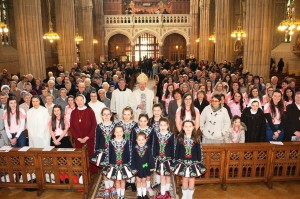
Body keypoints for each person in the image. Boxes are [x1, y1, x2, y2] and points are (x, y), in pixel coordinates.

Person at [171, 120, 206, 199]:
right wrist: (175, 161)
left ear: (193, 127)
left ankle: (190, 195)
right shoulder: (179, 138)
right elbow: (177, 150)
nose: (188, 128)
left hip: (193, 162)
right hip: (182, 162)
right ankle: (184, 194)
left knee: (192, 178)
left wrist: (200, 161)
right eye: (186, 126)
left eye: (190, 126)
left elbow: (199, 150)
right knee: (185, 178)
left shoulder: (196, 138)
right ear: (183, 127)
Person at [102, 125, 137, 199]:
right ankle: (119, 196)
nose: (118, 133)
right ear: (114, 133)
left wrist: (129, 163)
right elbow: (109, 154)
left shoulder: (126, 141)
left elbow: (128, 153)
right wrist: (110, 164)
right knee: (117, 181)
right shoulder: (111, 142)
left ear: (123, 132)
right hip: (114, 165)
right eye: (117, 132)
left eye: (120, 131)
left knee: (123, 180)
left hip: (124, 164)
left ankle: (122, 195)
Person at [70, 94, 97, 173]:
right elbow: (72, 127)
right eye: (77, 100)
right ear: (75, 101)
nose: (79, 102)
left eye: (81, 100)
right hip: (78, 140)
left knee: (90, 155)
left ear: (84, 100)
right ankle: (82, 172)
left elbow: (94, 125)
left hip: (89, 139)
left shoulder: (90, 111)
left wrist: (87, 137)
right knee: (80, 156)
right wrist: (78, 138)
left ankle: (92, 171)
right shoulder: (73, 112)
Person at [93, 107, 116, 197]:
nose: (106, 116)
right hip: (102, 152)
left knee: (112, 169)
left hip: (113, 152)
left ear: (111, 115)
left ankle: (112, 186)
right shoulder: (99, 126)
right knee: (105, 170)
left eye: (108, 114)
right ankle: (107, 187)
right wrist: (96, 152)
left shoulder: (115, 125)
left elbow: (117, 138)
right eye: (104, 114)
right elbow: (97, 140)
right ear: (102, 116)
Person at [132, 114, 154, 197]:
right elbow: (133, 142)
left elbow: (153, 142)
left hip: (147, 156)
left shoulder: (151, 130)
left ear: (147, 121)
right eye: (141, 121)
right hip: (137, 155)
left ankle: (147, 187)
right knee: (138, 178)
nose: (143, 123)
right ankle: (140, 192)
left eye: (145, 121)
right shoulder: (135, 130)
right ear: (138, 121)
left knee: (146, 175)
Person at [152, 118, 174, 198]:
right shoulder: (156, 134)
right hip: (159, 159)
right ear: (158, 126)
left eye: (165, 125)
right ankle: (162, 192)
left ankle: (167, 192)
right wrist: (154, 157)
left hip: (167, 159)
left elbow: (172, 148)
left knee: (167, 176)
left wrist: (172, 159)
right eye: (161, 125)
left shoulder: (171, 135)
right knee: (161, 175)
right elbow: (154, 146)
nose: (163, 127)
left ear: (168, 125)